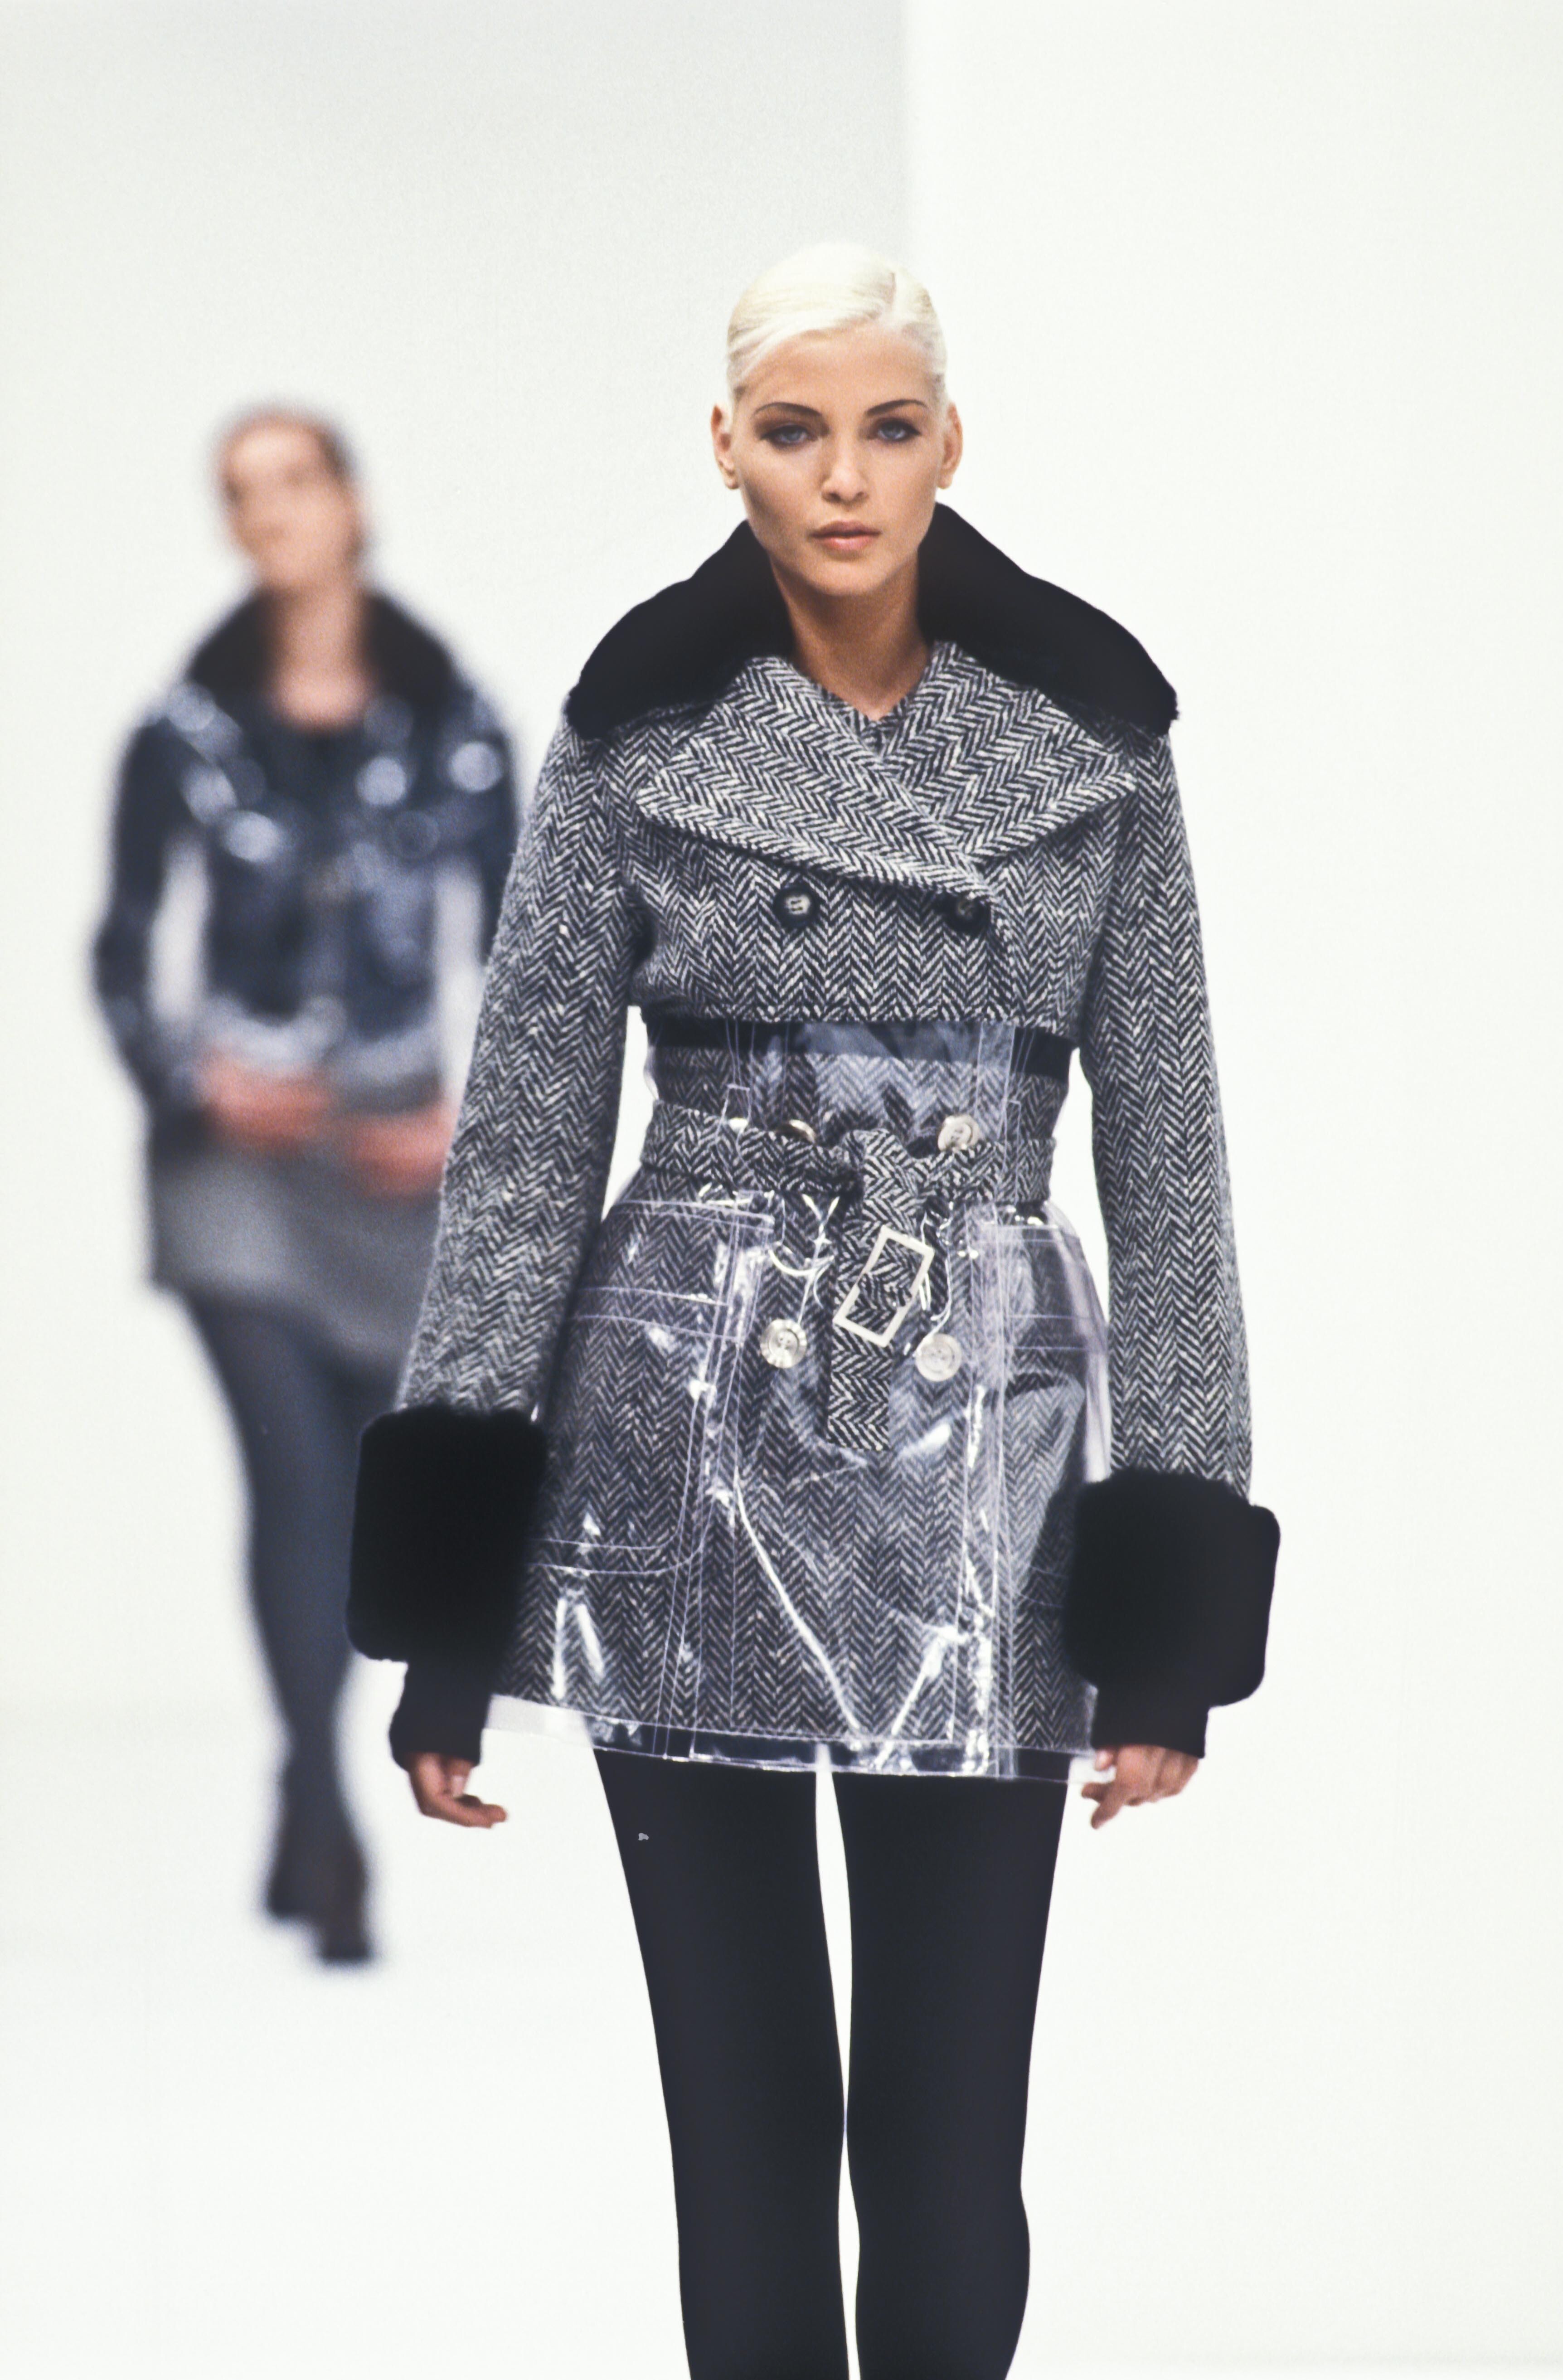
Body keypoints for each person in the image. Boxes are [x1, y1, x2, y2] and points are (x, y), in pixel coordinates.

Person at [349, 248, 1278, 2374]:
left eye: (885, 428)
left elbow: (1171, 1162)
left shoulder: (1094, 736)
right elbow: (523, 1149)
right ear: (725, 447)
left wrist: (1168, 1590)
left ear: (950, 443)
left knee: (948, 2142)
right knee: (744, 2133)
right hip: (680, 1436)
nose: (842, 477)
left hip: (984, 1456)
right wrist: (450, 1611)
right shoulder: (634, 730)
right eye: (794, 430)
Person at [94, 410, 519, 1962]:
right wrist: (196, 1079)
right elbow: (120, 948)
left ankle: (300, 1782)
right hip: (241, 1167)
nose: (271, 511)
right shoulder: (186, 732)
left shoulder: (458, 725)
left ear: (351, 500)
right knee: (292, 1475)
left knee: (358, 1487)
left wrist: (470, 1123)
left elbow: (527, 951)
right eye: (242, 491)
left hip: (393, 1158)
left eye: (295, 481)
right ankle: (329, 1814)